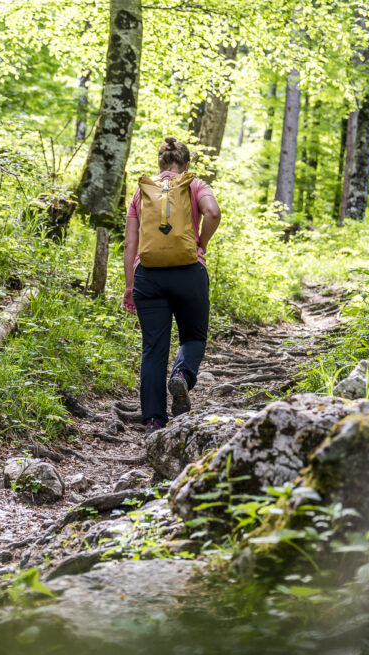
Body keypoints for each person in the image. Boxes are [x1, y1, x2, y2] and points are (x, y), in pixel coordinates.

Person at [122, 137, 222, 433]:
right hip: (189, 271)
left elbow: (131, 243)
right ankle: (181, 375)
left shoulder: (142, 193)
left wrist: (130, 286)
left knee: (153, 349)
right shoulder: (194, 185)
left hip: (148, 276)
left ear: (160, 163)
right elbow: (213, 212)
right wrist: (201, 243)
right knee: (193, 337)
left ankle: (154, 420)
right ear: (186, 164)